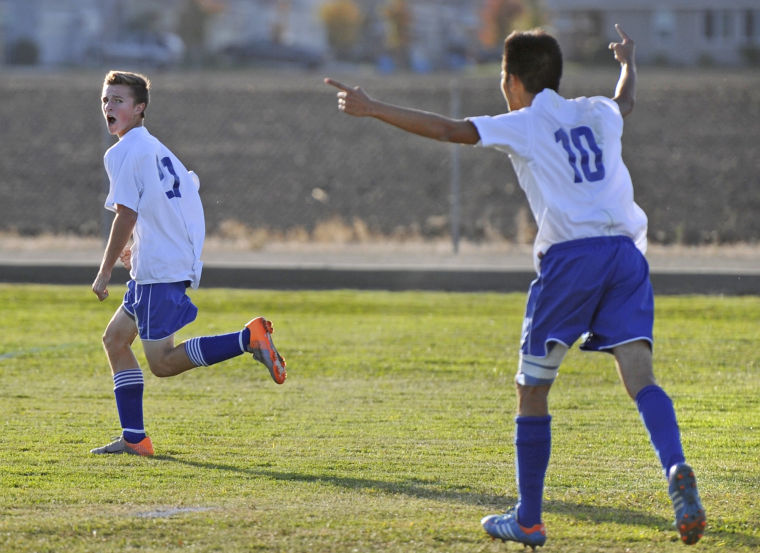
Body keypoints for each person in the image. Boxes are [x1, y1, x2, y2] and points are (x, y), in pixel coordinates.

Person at [325, 25, 705, 547]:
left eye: (503, 77)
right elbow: (627, 100)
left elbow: (449, 131)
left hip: (573, 260)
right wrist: (627, 61)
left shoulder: (526, 123)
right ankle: (676, 467)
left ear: (513, 80)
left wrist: (372, 107)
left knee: (532, 389)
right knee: (640, 376)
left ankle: (528, 518)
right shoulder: (596, 111)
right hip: (625, 254)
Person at [91, 71, 286, 457]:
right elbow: (180, 197)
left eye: (118, 100)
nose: (109, 107)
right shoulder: (155, 148)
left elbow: (126, 214)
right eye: (105, 100)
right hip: (164, 261)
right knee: (115, 340)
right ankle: (135, 439)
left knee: (162, 363)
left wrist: (104, 269)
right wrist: (144, 247)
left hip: (160, 268)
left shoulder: (124, 151)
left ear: (139, 108)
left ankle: (248, 339)